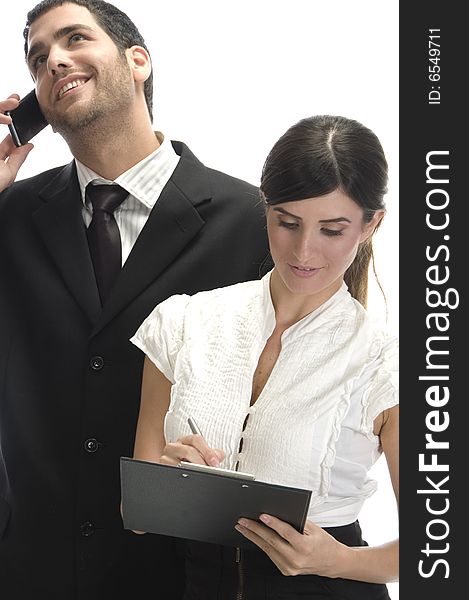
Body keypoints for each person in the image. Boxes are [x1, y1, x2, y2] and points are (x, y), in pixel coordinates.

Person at [0, 0, 269, 598]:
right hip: (32, 570)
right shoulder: (10, 215)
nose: (54, 61)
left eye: (74, 39)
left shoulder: (252, 221)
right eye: (38, 58)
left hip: (185, 573)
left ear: (137, 60)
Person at [130, 114, 399, 599]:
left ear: (370, 224)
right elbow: (140, 521)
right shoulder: (185, 322)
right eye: (287, 222)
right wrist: (170, 479)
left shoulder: (387, 361)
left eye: (331, 231)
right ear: (267, 209)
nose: (303, 250)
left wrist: (336, 560)